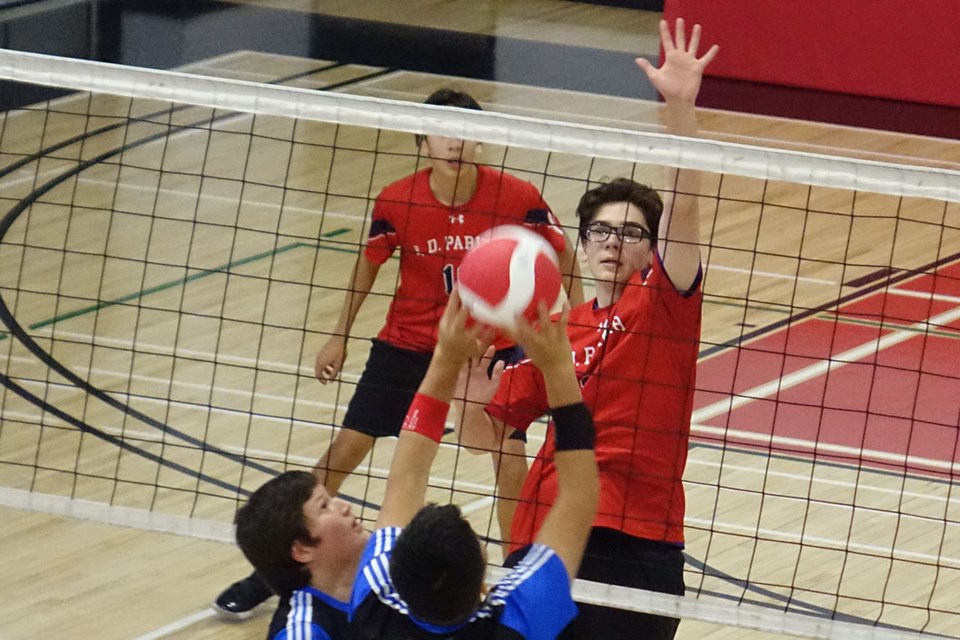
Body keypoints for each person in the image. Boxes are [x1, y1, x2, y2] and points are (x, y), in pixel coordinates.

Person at [214, 88, 583, 619]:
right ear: (421, 139)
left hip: (488, 350)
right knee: (345, 451)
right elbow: (369, 262)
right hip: (409, 345)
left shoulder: (518, 196)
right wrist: (339, 333)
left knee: (509, 461)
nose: (454, 140)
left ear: (480, 138)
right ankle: (271, 572)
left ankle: (516, 572)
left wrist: (565, 324)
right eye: (441, 130)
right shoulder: (397, 199)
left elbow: (561, 254)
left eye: (464, 130)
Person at [455, 19, 718, 640]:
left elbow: (683, 205)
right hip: (550, 536)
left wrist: (680, 108)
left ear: (651, 249)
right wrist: (467, 395)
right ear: (582, 241)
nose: (611, 243)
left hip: (641, 541)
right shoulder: (556, 328)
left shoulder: (666, 305)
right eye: (600, 230)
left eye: (630, 233)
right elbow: (488, 434)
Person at [350, 291, 599, 639]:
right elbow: (580, 496)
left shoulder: (375, 608)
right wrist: (558, 366)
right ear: (484, 577)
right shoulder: (519, 619)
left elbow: (405, 479)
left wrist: (445, 361)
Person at [234, 470, 368, 639]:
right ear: (303, 550)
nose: (345, 506)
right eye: (324, 506)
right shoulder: (302, 632)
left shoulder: (384, 570)